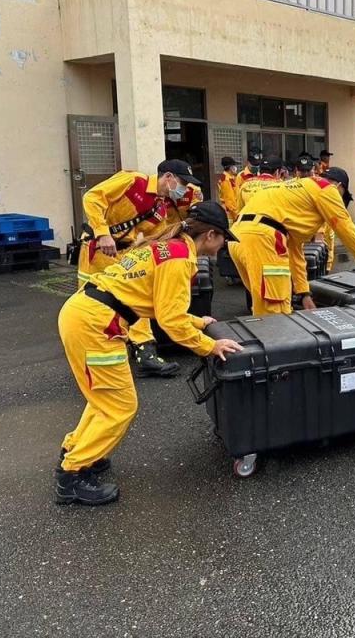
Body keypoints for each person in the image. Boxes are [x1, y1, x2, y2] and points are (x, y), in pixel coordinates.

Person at [56, 201, 243, 506]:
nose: (223, 246)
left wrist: (197, 321)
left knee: (103, 397)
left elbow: (158, 303)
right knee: (120, 406)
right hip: (95, 324)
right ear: (210, 235)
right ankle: (72, 474)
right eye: (224, 239)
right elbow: (170, 320)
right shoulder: (180, 259)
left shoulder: (169, 245)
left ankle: (81, 450)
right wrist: (210, 346)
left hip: (86, 313)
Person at [77, 159, 202, 378]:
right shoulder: (133, 181)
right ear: (168, 177)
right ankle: (96, 353)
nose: (183, 189)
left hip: (123, 252)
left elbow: (156, 236)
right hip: (97, 249)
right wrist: (103, 232)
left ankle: (144, 353)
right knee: (94, 299)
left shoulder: (161, 209)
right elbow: (92, 198)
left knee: (130, 299)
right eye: (182, 183)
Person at [228, 166, 355, 315]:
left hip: (238, 238)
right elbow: (345, 227)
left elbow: (294, 249)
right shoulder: (326, 188)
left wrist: (304, 293)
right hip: (263, 239)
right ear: (339, 186)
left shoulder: (294, 188)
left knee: (262, 306)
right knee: (275, 313)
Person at [218, 156, 241, 222]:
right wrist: (236, 216)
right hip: (230, 215)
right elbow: (230, 200)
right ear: (231, 167)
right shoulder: (226, 180)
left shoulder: (231, 178)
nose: (236, 168)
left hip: (233, 212)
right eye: (234, 166)